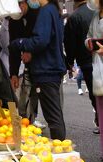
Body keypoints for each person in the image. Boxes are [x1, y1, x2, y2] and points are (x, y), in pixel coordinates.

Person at [10, 0, 66, 140]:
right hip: (50, 68)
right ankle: (61, 149)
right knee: (54, 115)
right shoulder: (53, 10)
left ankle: (61, 152)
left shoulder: (46, 11)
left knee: (53, 117)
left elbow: (40, 40)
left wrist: (20, 43)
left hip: (46, 70)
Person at [9, 0, 46, 128]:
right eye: (16, 5)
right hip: (29, 68)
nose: (19, 8)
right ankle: (27, 123)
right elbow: (13, 47)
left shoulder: (39, 15)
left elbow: (43, 40)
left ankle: (57, 138)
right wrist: (13, 73)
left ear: (27, 3)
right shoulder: (14, 19)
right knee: (26, 99)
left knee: (51, 108)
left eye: (21, 4)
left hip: (46, 67)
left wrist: (31, 52)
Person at [64, 0, 99, 134]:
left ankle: (100, 120)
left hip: (86, 61)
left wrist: (70, 62)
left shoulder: (74, 17)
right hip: (99, 56)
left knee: (95, 93)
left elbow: (70, 43)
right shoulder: (98, 11)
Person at [85, 0, 103, 158]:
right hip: (98, 69)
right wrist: (89, 43)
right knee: (101, 112)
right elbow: (89, 36)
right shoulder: (96, 15)